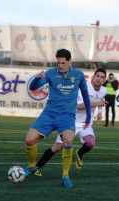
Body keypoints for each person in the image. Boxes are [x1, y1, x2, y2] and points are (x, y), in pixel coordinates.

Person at [24, 49, 91, 189]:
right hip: (49, 114)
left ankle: (65, 176)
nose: (60, 66)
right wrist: (37, 78)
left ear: (69, 61)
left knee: (68, 140)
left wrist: (89, 116)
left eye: (63, 63)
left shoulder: (78, 75)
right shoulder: (50, 73)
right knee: (29, 140)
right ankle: (32, 167)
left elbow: (85, 96)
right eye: (58, 63)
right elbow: (33, 88)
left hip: (66, 116)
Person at [34, 68, 107, 173]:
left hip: (85, 123)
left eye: (102, 77)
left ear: (104, 80)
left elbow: (100, 100)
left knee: (90, 142)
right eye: (97, 76)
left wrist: (99, 112)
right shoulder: (84, 88)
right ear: (93, 77)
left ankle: (80, 153)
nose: (99, 79)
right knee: (57, 147)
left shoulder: (104, 90)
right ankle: (37, 167)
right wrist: (96, 104)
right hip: (70, 121)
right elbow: (78, 106)